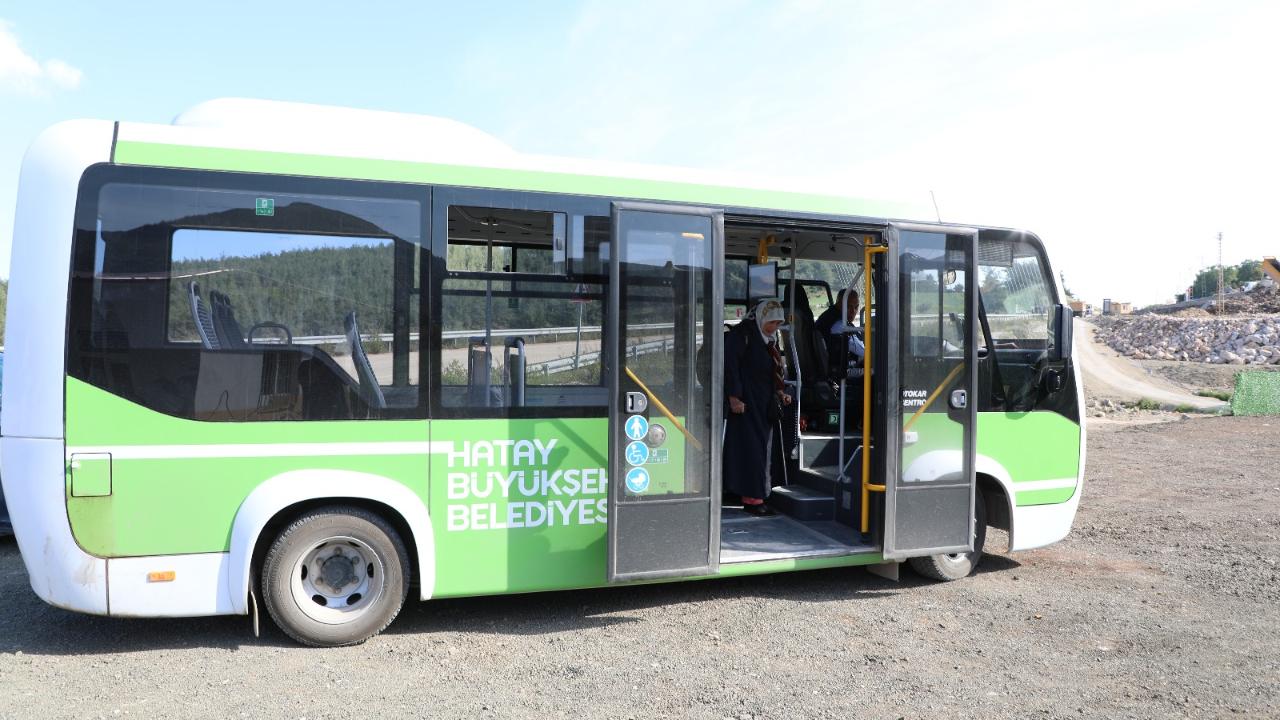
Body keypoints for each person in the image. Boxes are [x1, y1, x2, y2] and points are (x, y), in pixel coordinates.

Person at [723, 298, 792, 516]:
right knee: (754, 451)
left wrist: (780, 392)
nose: (774, 327)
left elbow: (772, 370)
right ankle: (753, 499)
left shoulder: (768, 340)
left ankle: (750, 494)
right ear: (761, 317)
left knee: (757, 450)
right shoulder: (742, 336)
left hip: (763, 403)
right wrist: (734, 397)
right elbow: (731, 367)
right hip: (747, 403)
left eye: (778, 323)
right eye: (771, 322)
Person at [816, 288, 865, 378]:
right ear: (839, 304)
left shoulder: (828, 317)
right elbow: (863, 352)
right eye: (849, 306)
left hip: (832, 366)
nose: (853, 311)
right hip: (839, 371)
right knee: (876, 371)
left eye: (856, 307)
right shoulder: (839, 325)